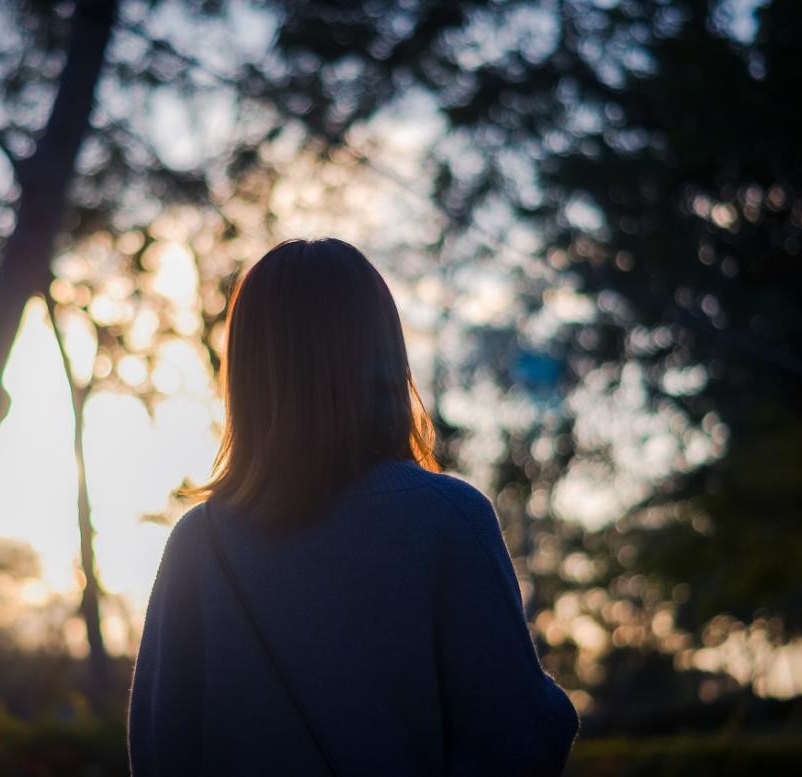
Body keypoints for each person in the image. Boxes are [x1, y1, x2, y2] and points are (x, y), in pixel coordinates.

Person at [127, 238, 579, 776]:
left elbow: (160, 754)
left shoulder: (199, 544)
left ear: (249, 372)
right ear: (384, 355)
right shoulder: (449, 520)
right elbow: (517, 740)